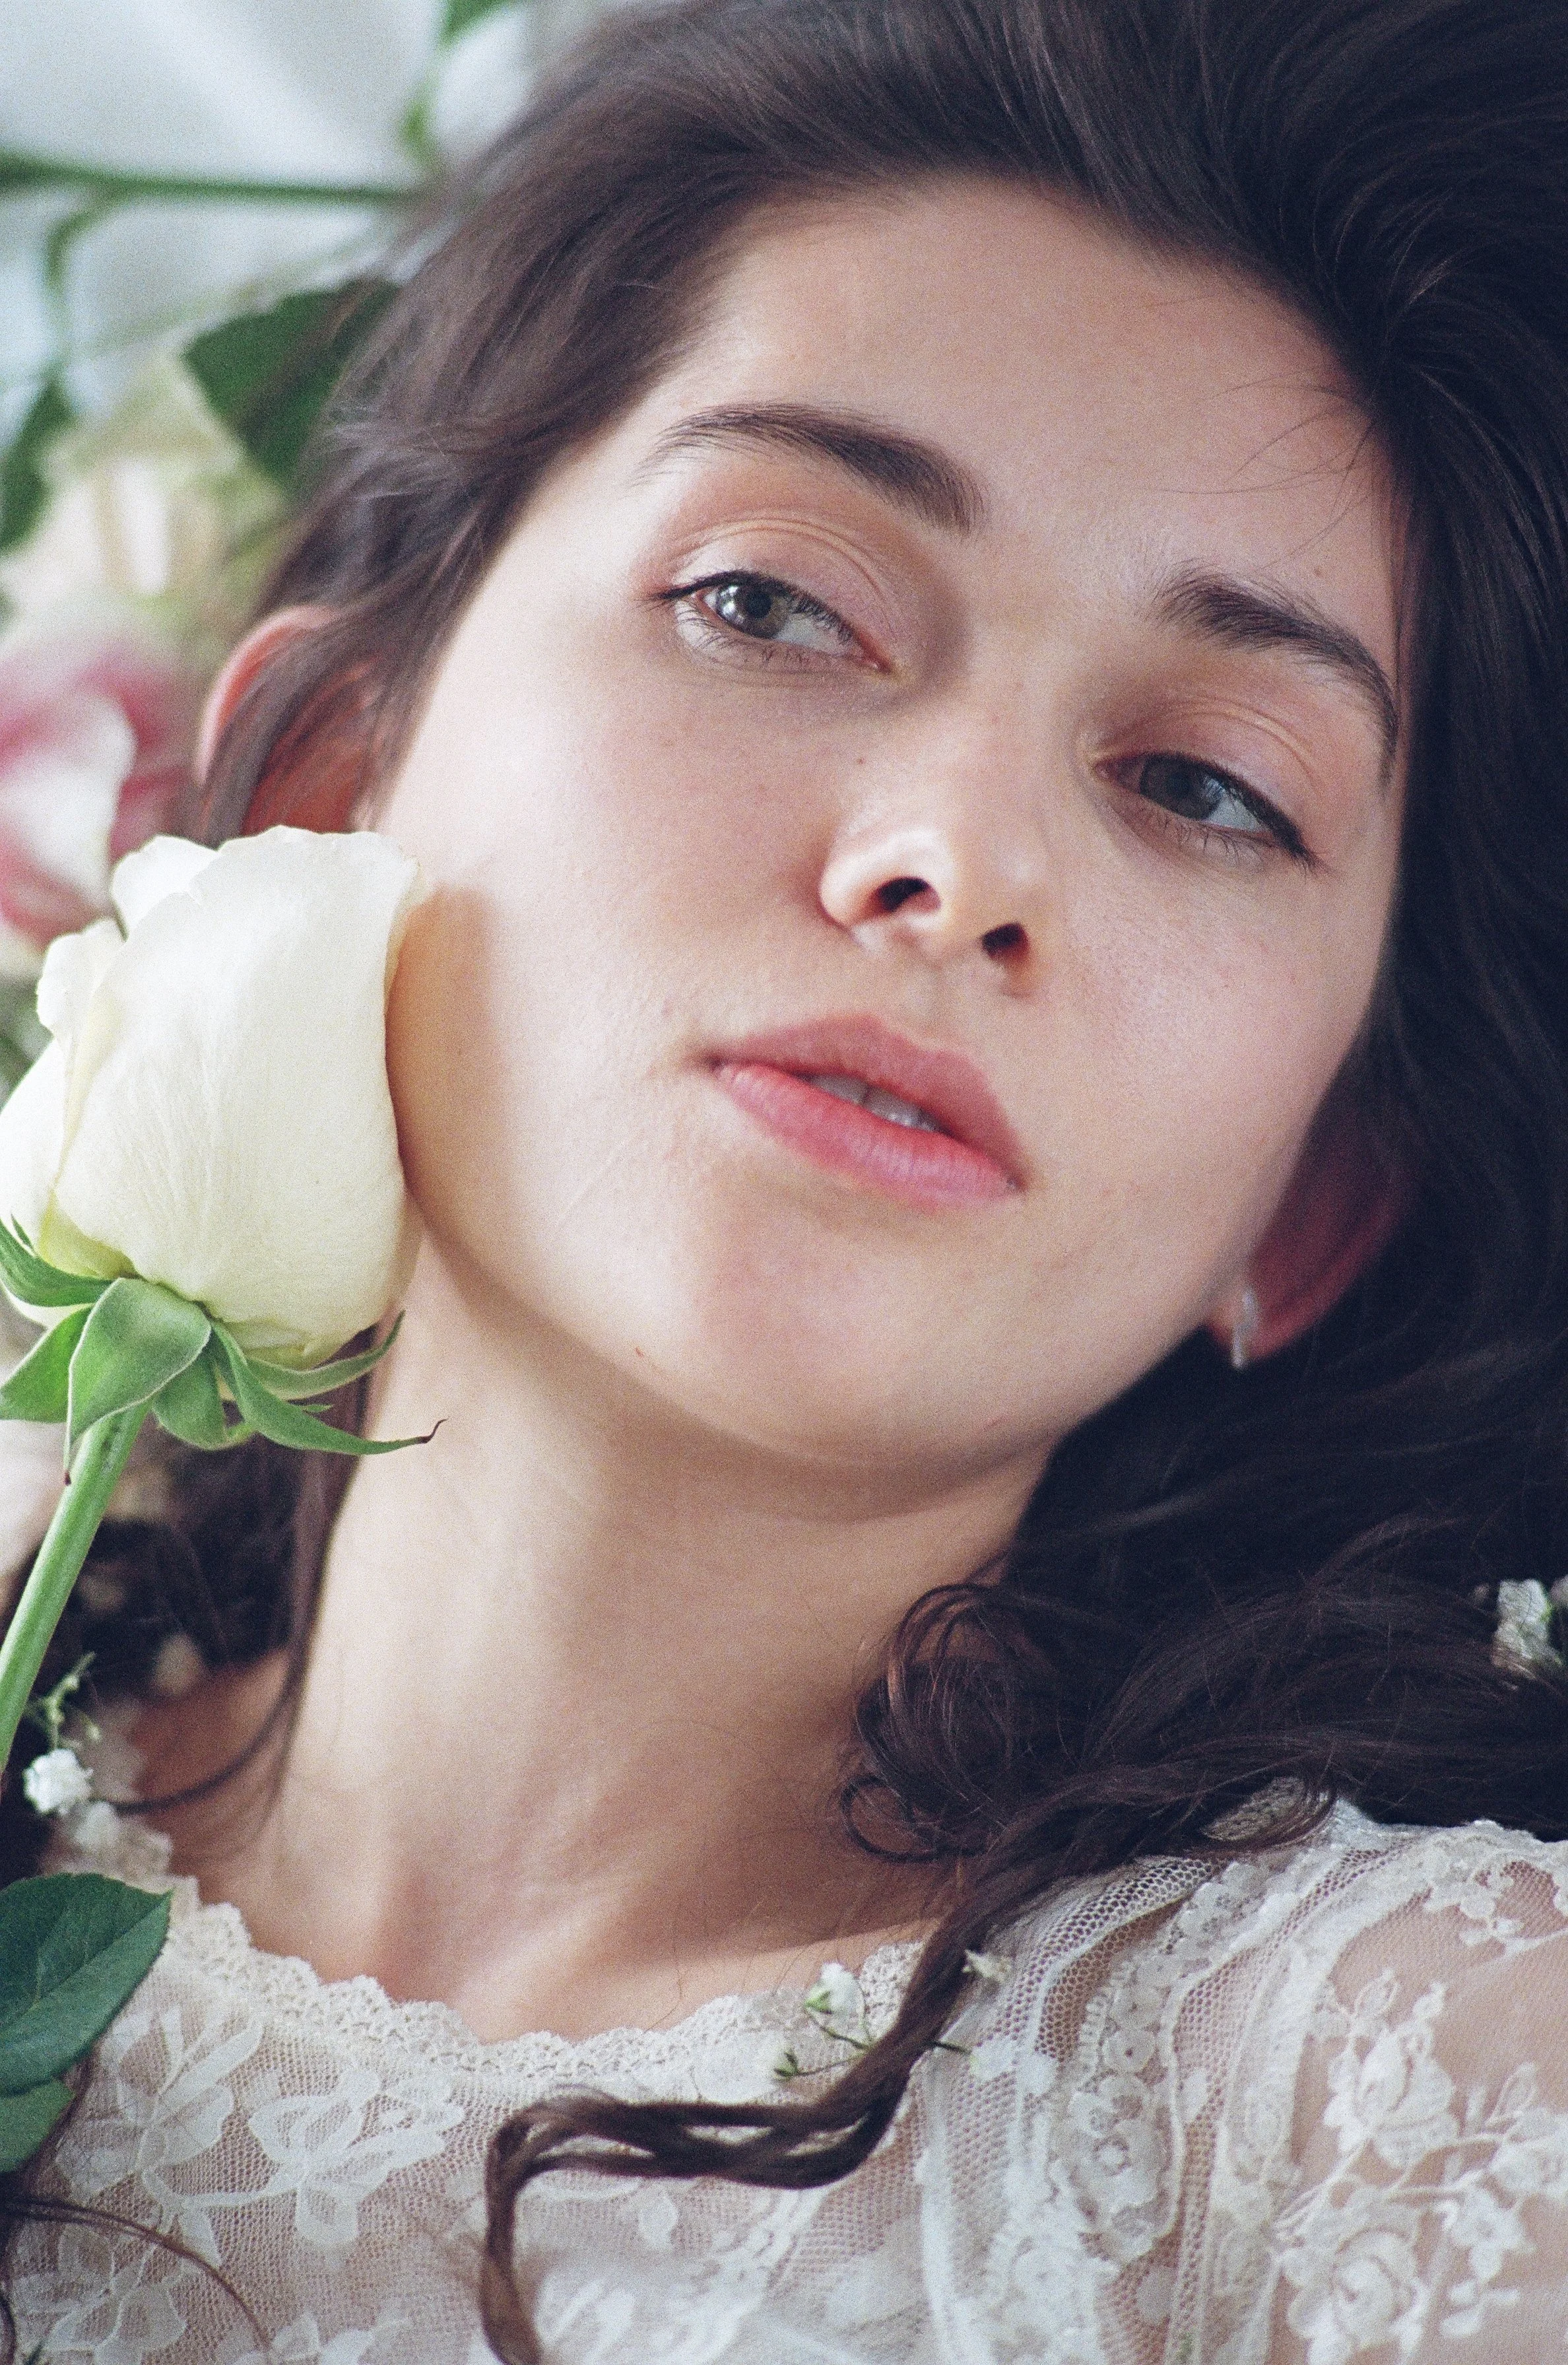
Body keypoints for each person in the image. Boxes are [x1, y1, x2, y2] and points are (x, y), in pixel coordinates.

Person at [6, 0, 1568, 2354]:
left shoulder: (1398, 2099)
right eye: (772, 602)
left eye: (1209, 784)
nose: (958, 855)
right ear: (331, 773)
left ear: (1314, 1198)